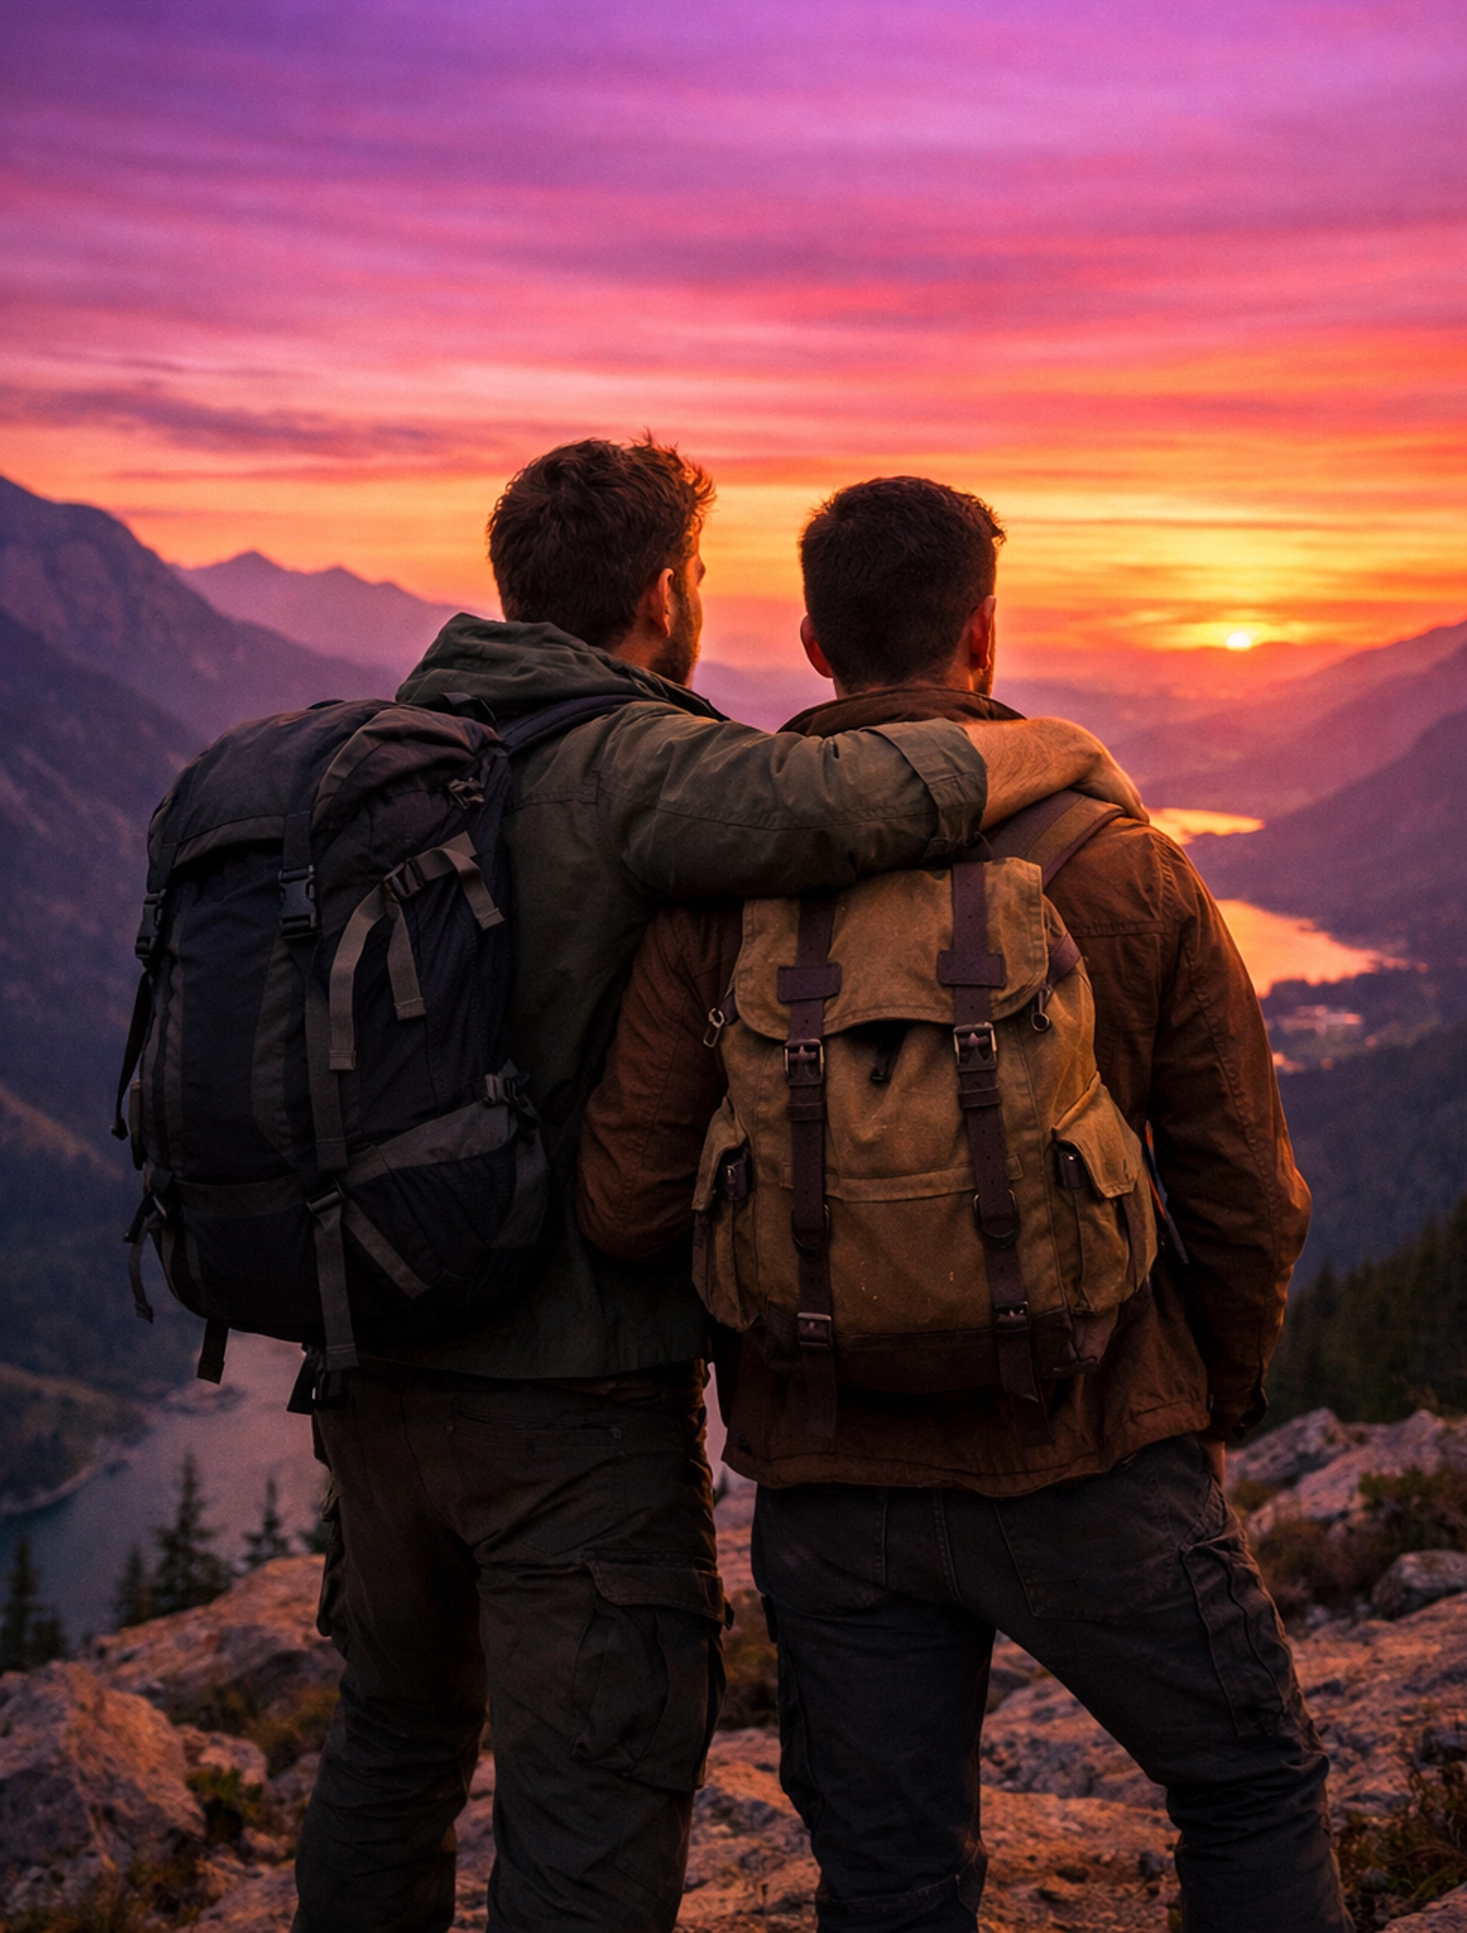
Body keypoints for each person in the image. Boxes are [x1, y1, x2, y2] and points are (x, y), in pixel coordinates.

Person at [292, 438, 1145, 1933]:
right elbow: (865, 797)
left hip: (370, 1365)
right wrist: (1059, 748)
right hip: (564, 1404)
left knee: (392, 1744)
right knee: (590, 1798)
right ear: (665, 594)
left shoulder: (378, 754)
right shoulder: (636, 764)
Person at [577, 474, 1349, 1933]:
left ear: (815, 645)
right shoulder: (1122, 867)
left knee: (894, 1880)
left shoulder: (717, 896)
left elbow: (625, 1204)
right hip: (1092, 1452)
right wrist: (1207, 1403)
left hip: (832, 1488)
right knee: (1248, 1788)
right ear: (983, 632)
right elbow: (1247, 1195)